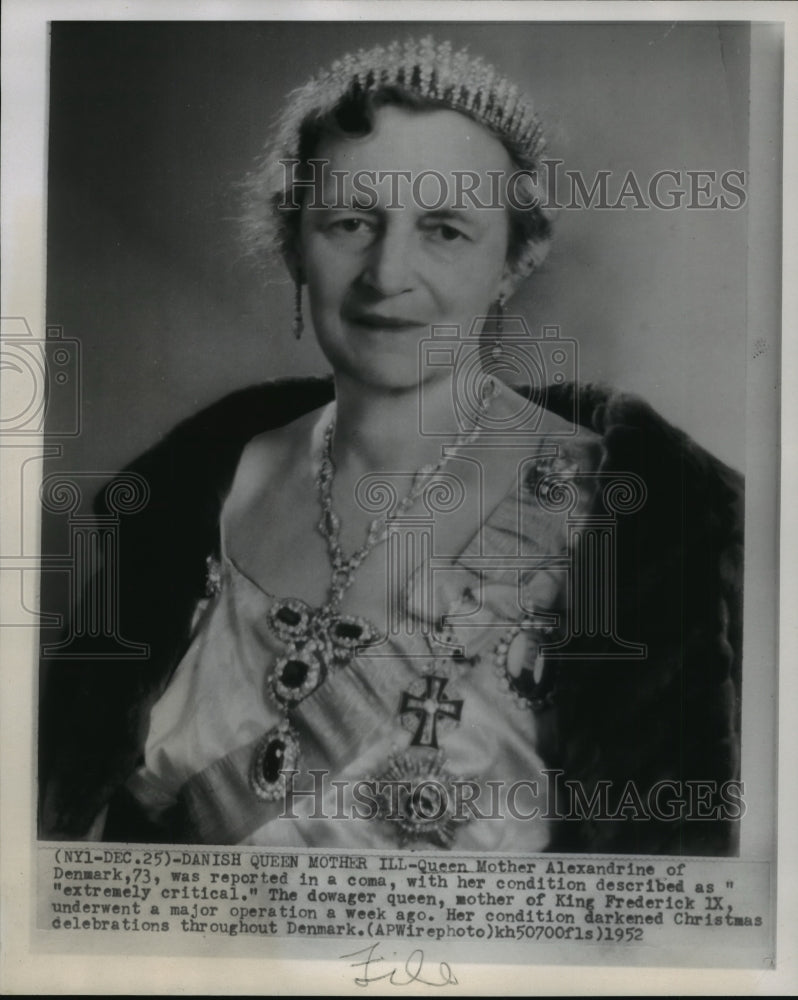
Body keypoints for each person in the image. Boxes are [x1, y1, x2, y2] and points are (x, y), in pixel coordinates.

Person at [39, 37, 743, 854]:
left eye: (444, 230)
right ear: (294, 242)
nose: (387, 273)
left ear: (513, 260)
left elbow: (671, 914)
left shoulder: (633, 518)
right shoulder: (187, 494)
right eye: (349, 223)